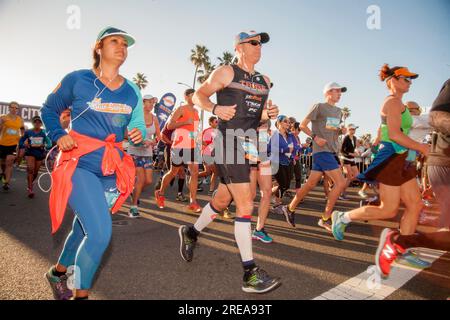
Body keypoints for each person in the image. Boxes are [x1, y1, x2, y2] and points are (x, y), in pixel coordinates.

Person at [41, 26, 145, 300]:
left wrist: (138, 133)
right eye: (115, 41)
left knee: (83, 226)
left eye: (125, 43)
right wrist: (59, 134)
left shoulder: (132, 89)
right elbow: (48, 109)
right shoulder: (78, 79)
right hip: (79, 164)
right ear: (98, 47)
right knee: (99, 234)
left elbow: (139, 126)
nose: (121, 47)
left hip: (110, 169)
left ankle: (58, 273)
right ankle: (81, 295)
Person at [178, 30, 281, 293]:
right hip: (227, 141)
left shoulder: (264, 81)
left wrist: (269, 115)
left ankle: (191, 232)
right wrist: (214, 109)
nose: (259, 47)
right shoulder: (226, 72)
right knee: (246, 202)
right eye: (254, 43)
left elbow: (260, 120)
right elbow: (198, 96)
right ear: (239, 47)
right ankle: (250, 274)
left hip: (247, 144)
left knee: (223, 200)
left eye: (261, 44)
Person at [331, 64, 431, 269]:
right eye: (405, 78)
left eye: (410, 79)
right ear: (392, 81)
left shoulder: (399, 104)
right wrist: (421, 147)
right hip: (392, 158)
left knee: (415, 204)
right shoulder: (392, 102)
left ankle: (401, 248)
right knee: (388, 209)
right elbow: (394, 134)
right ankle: (343, 217)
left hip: (403, 158)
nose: (409, 82)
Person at [275, 82, 347, 232]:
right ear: (328, 92)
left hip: (332, 151)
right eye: (337, 91)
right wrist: (315, 137)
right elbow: (302, 125)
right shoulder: (319, 107)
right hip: (322, 151)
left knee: (310, 184)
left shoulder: (339, 111)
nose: (339, 93)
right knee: (340, 183)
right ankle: (325, 218)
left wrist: (340, 132)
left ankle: (289, 208)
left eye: (341, 92)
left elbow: (331, 132)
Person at [155, 89, 202, 213]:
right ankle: (160, 193)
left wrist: (198, 138)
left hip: (192, 145)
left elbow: (194, 130)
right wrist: (185, 122)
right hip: (179, 145)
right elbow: (169, 126)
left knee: (195, 172)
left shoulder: (197, 112)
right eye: (192, 95)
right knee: (173, 172)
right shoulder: (181, 109)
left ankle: (193, 201)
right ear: (186, 96)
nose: (194, 97)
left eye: (196, 95)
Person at [128, 94, 161, 218]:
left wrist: (153, 142)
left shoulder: (155, 118)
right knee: (140, 179)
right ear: (143, 103)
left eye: (153, 103)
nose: (152, 105)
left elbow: (158, 136)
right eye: (150, 102)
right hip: (134, 151)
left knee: (148, 180)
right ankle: (133, 207)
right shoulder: (135, 116)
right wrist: (138, 140)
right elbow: (127, 131)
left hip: (147, 153)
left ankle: (134, 191)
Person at [250, 119, 273, 243]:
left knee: (267, 192)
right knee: (251, 195)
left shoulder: (267, 114)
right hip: (248, 155)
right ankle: (226, 198)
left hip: (263, 155)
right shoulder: (249, 108)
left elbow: (264, 136)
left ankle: (259, 229)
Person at [22, 116, 51, 198]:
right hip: (30, 152)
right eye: (35, 122)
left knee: (35, 172)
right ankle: (30, 189)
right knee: (31, 169)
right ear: (33, 123)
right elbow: (21, 141)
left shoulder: (44, 133)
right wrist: (25, 143)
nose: (37, 123)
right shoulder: (28, 132)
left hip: (39, 153)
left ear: (41, 124)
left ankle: (30, 182)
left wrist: (44, 145)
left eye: (39, 122)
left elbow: (49, 144)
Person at [270, 115, 296, 206]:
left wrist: (292, 155)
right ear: (279, 123)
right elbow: (271, 148)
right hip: (277, 162)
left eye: (289, 122)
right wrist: (284, 150)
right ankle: (277, 203)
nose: (288, 123)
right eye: (285, 121)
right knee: (283, 184)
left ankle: (268, 194)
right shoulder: (275, 135)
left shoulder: (290, 136)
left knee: (287, 185)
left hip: (288, 162)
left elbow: (294, 147)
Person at [0, 101, 25, 190]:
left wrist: (21, 139)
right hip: (2, 143)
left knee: (9, 162)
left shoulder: (20, 120)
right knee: (3, 163)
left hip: (13, 145)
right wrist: (1, 124)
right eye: (12, 107)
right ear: (9, 108)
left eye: (16, 108)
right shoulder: (3, 117)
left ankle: (7, 183)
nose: (14, 109)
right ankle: (3, 173)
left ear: (18, 110)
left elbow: (22, 130)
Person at [199, 116, 219, 195]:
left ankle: (211, 191)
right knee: (211, 172)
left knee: (210, 172)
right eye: (216, 122)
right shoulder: (208, 131)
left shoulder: (217, 131)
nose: (217, 123)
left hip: (213, 154)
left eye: (218, 121)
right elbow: (205, 142)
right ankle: (193, 177)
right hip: (207, 154)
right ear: (210, 123)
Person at [340, 123, 360, 200]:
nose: (354, 130)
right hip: (345, 159)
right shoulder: (346, 138)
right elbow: (342, 150)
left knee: (357, 176)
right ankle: (342, 193)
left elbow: (353, 148)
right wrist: (351, 153)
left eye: (354, 129)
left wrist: (356, 152)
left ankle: (339, 186)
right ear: (349, 130)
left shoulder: (355, 138)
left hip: (351, 159)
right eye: (352, 129)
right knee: (349, 177)